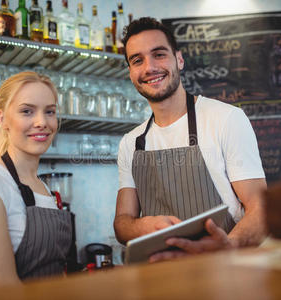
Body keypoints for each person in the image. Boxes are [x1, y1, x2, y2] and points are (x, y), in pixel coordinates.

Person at [114, 17, 267, 262]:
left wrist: (229, 246)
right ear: (131, 73)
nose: (149, 67)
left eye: (159, 54)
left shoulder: (226, 119)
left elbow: (261, 208)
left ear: (179, 59)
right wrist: (142, 227)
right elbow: (122, 224)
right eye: (137, 60)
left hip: (227, 272)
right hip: (162, 278)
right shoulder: (130, 143)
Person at [0, 71, 72, 288]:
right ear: (3, 119)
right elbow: (4, 286)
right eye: (27, 111)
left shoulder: (42, 187)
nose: (42, 122)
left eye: (49, 111)